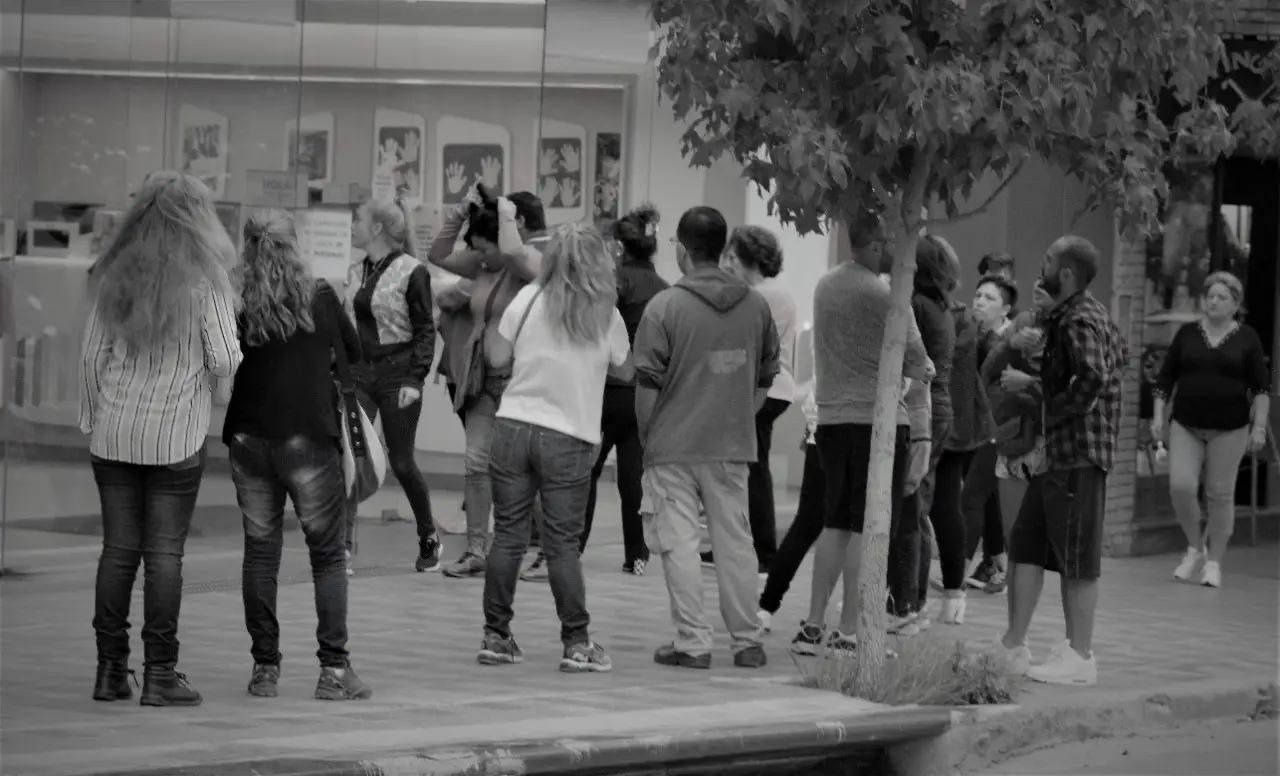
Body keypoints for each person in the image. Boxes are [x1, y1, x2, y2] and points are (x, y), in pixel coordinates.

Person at [80, 171, 241, 707]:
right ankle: (160, 674)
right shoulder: (206, 278)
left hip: (114, 433)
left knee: (117, 552)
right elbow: (224, 357)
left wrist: (94, 418)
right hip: (175, 436)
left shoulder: (113, 273)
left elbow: (92, 359)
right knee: (165, 556)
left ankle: (109, 672)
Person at [222, 211, 372, 701]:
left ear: (248, 244)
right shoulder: (320, 295)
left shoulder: (236, 297)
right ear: (295, 243)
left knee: (260, 552)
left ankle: (264, 668)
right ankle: (334, 671)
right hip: (308, 433)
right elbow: (353, 354)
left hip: (249, 435)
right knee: (326, 556)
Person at [477, 221, 630, 672]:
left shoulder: (526, 299)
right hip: (568, 435)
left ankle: (496, 636)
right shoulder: (605, 313)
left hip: (512, 426)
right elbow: (625, 369)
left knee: (508, 535)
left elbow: (497, 357)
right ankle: (576, 642)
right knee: (562, 543)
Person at [634, 206, 780, 670]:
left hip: (672, 446)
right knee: (735, 543)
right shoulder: (756, 307)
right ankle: (747, 641)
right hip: (731, 446)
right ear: (723, 249)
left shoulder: (664, 307)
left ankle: (693, 643)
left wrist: (649, 439)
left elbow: (647, 386)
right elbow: (765, 378)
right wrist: (737, 415)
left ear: (681, 248)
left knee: (679, 544)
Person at [790, 222, 932, 657]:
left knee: (834, 522)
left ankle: (813, 624)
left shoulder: (826, 286)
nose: (897, 249)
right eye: (891, 242)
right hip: (878, 421)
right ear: (874, 244)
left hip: (831, 419)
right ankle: (850, 630)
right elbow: (919, 362)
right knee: (866, 527)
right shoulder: (888, 295)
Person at [998, 236, 1127, 687]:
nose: (1042, 265)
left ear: (1066, 273)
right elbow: (1119, 358)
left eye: (1049, 260)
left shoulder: (1080, 319)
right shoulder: (1075, 315)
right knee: (1026, 544)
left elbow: (1093, 376)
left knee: (1076, 556)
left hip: (1078, 454)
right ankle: (1013, 646)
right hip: (1059, 455)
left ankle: (1080, 655)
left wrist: (1054, 408)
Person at [1153, 271, 1270, 588]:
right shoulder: (1187, 334)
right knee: (1181, 487)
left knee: (1220, 494)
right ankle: (1196, 546)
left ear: (1235, 305)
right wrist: (1158, 416)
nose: (1213, 301)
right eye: (1209, 296)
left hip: (1230, 428)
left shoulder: (1247, 338)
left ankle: (1214, 563)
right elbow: (1165, 379)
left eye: (1222, 297)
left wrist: (1259, 427)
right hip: (1186, 423)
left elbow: (1261, 388)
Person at [345, 189, 440, 573]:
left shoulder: (412, 271)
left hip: (398, 374)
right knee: (351, 457)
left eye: (358, 220)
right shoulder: (356, 271)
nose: (352, 226)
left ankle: (428, 535)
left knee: (401, 462)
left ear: (377, 228)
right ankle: (342, 545)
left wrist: (415, 379)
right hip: (360, 374)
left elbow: (425, 331)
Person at [700, 226, 795, 576]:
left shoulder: (757, 297)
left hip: (757, 391)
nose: (727, 265)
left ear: (747, 260)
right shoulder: (775, 295)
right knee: (745, 469)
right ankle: (739, 546)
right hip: (771, 390)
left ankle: (763, 552)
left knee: (750, 471)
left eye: (732, 258)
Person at [581, 205, 669, 575]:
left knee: (587, 471)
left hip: (605, 391)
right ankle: (637, 554)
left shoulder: (613, 283)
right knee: (632, 477)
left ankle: (573, 546)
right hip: (644, 394)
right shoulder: (665, 290)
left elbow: (595, 327)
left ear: (619, 246)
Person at [927, 253, 997, 626]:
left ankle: (905, 599)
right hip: (961, 423)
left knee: (924, 507)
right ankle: (954, 592)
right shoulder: (964, 317)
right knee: (947, 505)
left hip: (935, 420)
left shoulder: (932, 315)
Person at [962, 274, 1019, 595]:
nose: (980, 302)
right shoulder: (975, 334)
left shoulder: (1010, 341)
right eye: (978, 295)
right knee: (987, 496)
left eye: (990, 298)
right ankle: (1002, 566)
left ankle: (956, 575)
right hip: (975, 426)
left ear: (1005, 309)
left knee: (971, 495)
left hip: (999, 428)